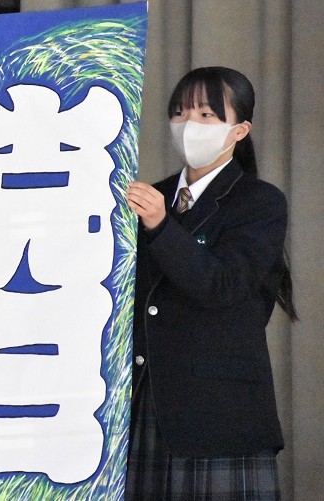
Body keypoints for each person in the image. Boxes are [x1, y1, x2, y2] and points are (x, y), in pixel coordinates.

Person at [125, 66, 297, 499]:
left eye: (206, 115)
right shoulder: (153, 196)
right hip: (146, 399)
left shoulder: (259, 202)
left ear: (239, 131)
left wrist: (162, 227)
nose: (189, 125)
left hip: (219, 411)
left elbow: (222, 285)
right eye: (180, 113)